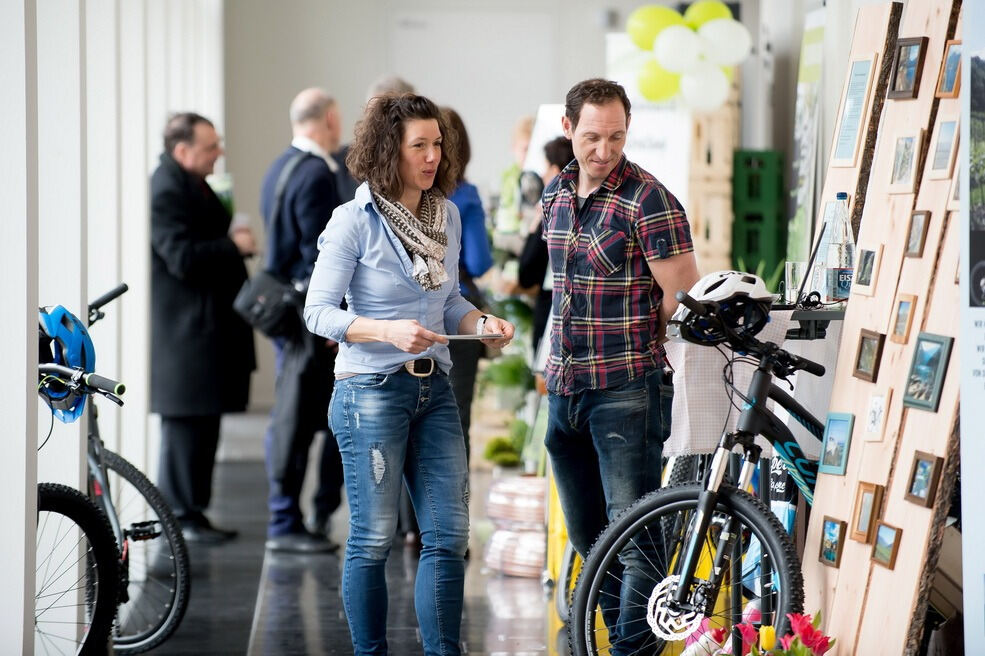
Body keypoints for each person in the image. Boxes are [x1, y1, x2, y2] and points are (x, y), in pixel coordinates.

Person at [304, 93, 514, 656]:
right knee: (373, 539)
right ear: (387, 151)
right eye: (417, 145)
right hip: (369, 391)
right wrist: (387, 330)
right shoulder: (354, 221)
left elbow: (449, 303)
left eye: (436, 144)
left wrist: (482, 320)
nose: (430, 156)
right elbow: (318, 312)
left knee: (449, 537)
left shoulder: (444, 214)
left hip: (435, 388)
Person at [541, 79, 699, 654]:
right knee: (590, 537)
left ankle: (632, 650)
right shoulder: (555, 193)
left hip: (626, 392)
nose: (603, 150)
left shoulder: (649, 199)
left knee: (635, 540)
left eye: (616, 137)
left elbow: (682, 295)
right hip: (564, 390)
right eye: (591, 137)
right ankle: (623, 642)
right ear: (568, 129)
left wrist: (636, 346)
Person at [150, 112, 257, 544]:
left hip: (202, 330)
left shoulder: (186, 182)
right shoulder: (166, 188)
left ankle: (192, 512)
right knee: (185, 428)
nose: (219, 153)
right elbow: (180, 257)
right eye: (211, 147)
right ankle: (180, 515)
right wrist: (233, 245)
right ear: (182, 150)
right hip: (185, 334)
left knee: (201, 425)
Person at [259, 88, 345, 553]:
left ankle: (292, 517)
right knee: (299, 420)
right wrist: (333, 321)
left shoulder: (280, 166)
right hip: (306, 318)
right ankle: (287, 521)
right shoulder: (315, 173)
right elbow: (320, 255)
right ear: (330, 119)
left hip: (285, 315)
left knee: (291, 415)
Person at [443, 107, 494, 461]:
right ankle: (451, 512)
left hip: (410, 319)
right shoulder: (465, 195)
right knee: (455, 417)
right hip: (458, 317)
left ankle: (407, 518)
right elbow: (478, 260)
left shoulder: (404, 195)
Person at [518, 135, 574, 355]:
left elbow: (526, 273)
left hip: (552, 307)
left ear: (555, 170)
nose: (542, 175)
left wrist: (535, 224)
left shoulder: (553, 213)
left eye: (546, 167)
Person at [334, 75, 416, 203]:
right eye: (372, 113)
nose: (375, 121)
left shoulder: (424, 159)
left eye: (383, 114)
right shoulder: (343, 160)